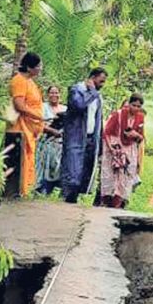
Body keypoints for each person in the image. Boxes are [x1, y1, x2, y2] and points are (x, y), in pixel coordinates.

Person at [60, 68, 107, 203]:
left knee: (84, 173)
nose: (102, 85)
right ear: (92, 78)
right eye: (100, 81)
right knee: (73, 172)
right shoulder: (77, 90)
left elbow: (99, 119)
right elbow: (79, 105)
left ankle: (73, 201)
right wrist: (92, 92)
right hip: (76, 137)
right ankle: (67, 198)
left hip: (91, 138)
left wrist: (100, 144)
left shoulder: (97, 96)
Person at [7, 52, 44, 197]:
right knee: (19, 161)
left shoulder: (30, 82)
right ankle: (16, 192)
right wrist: (40, 116)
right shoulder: (19, 81)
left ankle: (24, 191)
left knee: (28, 160)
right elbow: (20, 105)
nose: (40, 69)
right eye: (38, 66)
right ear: (29, 67)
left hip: (30, 129)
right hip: (19, 128)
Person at [100, 93, 145, 209]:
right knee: (110, 177)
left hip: (130, 150)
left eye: (138, 106)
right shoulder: (118, 115)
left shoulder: (140, 118)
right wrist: (111, 149)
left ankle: (118, 205)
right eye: (133, 105)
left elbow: (141, 138)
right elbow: (106, 133)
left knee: (124, 178)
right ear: (129, 104)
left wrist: (136, 135)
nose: (135, 108)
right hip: (115, 148)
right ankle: (106, 202)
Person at [35, 85, 67, 195]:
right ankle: (41, 189)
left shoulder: (65, 109)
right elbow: (38, 123)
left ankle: (54, 188)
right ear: (48, 94)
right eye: (52, 93)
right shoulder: (42, 107)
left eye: (56, 93)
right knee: (44, 165)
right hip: (45, 141)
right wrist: (51, 130)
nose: (54, 95)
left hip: (60, 144)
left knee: (57, 166)